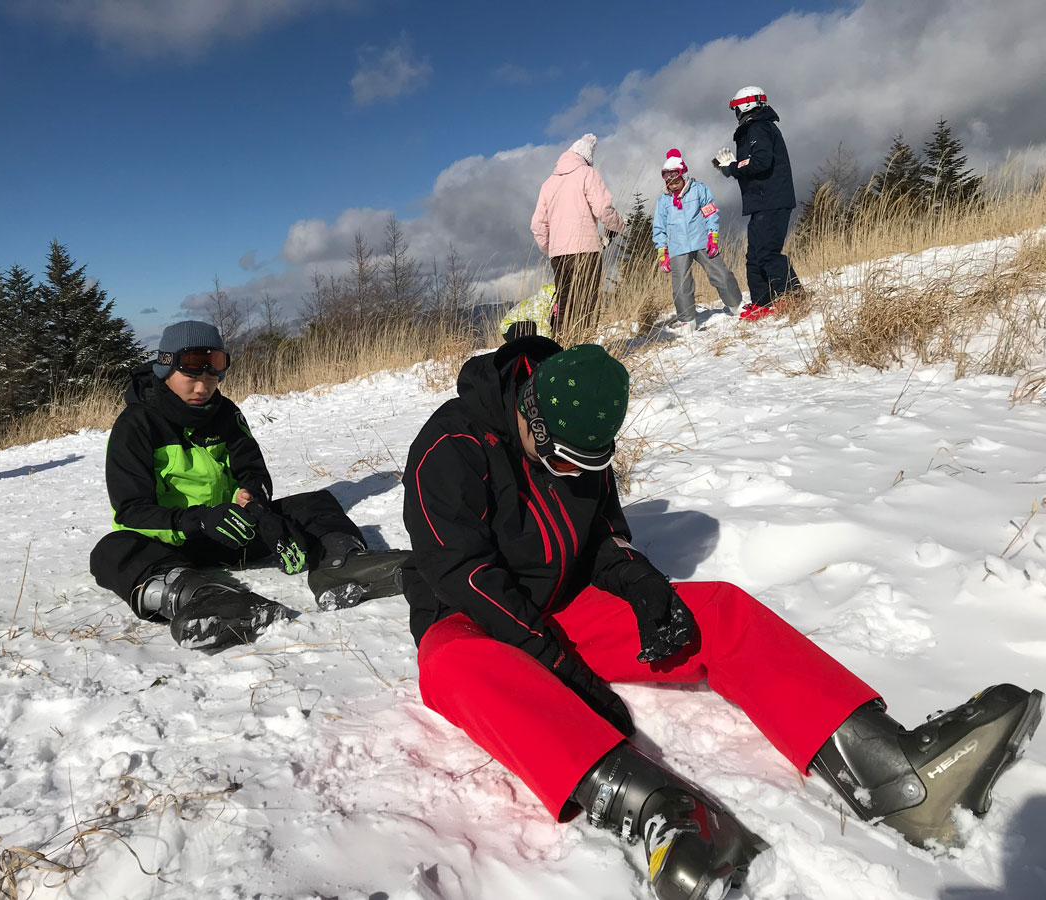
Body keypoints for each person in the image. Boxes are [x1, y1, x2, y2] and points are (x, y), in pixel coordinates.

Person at [399, 336, 1042, 900]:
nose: (573, 473)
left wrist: (644, 585)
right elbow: (466, 578)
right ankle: (663, 814)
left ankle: (894, 773)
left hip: (562, 602)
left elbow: (602, 538)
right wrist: (563, 667)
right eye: (564, 461)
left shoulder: (579, 425)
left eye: (586, 464)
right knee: (456, 667)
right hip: (472, 619)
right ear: (530, 418)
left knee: (718, 609)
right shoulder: (448, 449)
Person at [90, 320, 408, 650]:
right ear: (165, 370)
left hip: (232, 530)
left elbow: (253, 472)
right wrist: (198, 520)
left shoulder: (225, 413)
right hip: (170, 546)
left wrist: (257, 507)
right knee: (111, 551)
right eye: (192, 377)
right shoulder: (137, 424)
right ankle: (204, 598)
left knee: (316, 503)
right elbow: (131, 509)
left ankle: (340, 564)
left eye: (211, 377)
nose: (202, 388)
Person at [712, 86, 803, 321]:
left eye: (736, 108)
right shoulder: (753, 129)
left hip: (772, 200)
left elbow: (761, 161)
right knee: (754, 256)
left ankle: (792, 294)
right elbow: (753, 163)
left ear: (746, 106)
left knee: (767, 252)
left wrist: (733, 167)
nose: (735, 114)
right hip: (760, 202)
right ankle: (762, 302)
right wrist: (736, 165)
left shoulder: (759, 127)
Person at [530, 133, 624, 337]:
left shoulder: (548, 184)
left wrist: (551, 248)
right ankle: (583, 350)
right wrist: (618, 225)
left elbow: (537, 224)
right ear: (586, 158)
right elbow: (603, 208)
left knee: (564, 304)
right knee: (586, 304)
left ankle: (561, 350)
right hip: (585, 250)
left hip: (558, 256)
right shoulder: (587, 174)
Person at [652, 148, 743, 332]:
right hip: (678, 247)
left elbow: (710, 213)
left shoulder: (698, 190)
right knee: (681, 285)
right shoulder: (663, 201)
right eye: (670, 182)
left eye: (676, 180)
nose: (674, 185)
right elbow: (659, 228)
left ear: (682, 175)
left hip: (701, 240)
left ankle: (736, 305)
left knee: (720, 273)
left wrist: (713, 236)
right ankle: (687, 320)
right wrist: (663, 252)